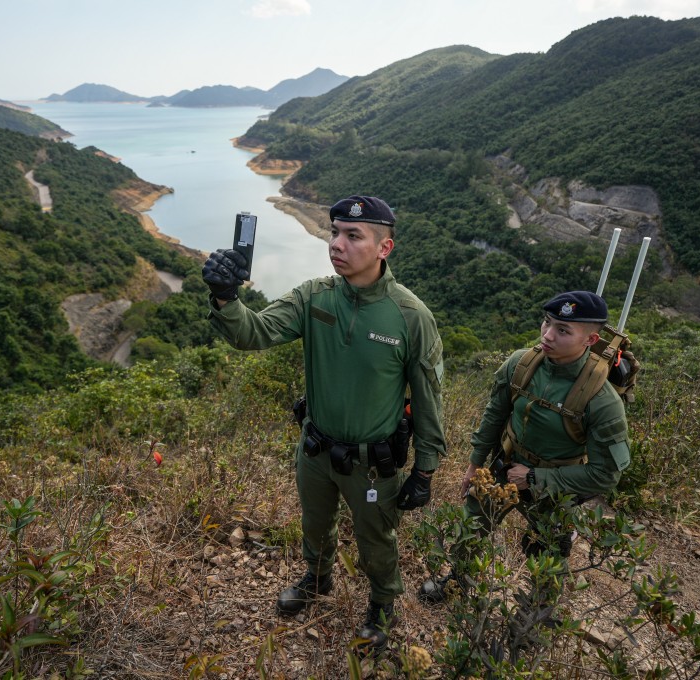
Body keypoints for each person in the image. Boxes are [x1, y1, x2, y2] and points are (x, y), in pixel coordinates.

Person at [202, 195, 446, 652]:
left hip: (373, 462)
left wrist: (426, 469)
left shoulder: (410, 316)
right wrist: (224, 296)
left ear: (384, 248)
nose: (337, 244)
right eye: (335, 232)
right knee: (315, 525)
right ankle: (316, 578)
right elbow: (251, 332)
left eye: (353, 236)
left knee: (377, 539)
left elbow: (429, 397)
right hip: (315, 450)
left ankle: (382, 604)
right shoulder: (314, 296)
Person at [419, 290, 630, 602]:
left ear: (590, 340)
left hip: (556, 484)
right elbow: (494, 416)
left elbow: (605, 475)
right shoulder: (522, 363)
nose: (547, 335)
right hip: (505, 465)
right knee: (471, 527)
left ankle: (536, 616)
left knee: (546, 554)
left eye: (563, 330)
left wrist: (534, 478)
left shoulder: (602, 401)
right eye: (547, 323)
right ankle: (456, 583)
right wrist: (474, 466)